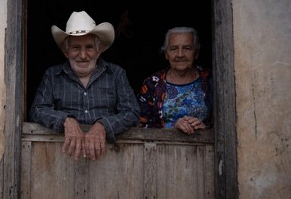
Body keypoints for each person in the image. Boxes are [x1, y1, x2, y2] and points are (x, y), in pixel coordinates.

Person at [29, 11, 141, 161]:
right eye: (76, 48)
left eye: (89, 47)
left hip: (111, 159)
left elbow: (132, 112)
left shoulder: (116, 74)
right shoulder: (52, 75)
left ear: (98, 50)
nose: (83, 55)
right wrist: (66, 120)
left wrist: (103, 125)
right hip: (62, 159)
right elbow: (37, 109)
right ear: (65, 51)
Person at [137, 27, 212, 134]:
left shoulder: (210, 80)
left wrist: (206, 129)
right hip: (163, 148)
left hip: (205, 148)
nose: (180, 54)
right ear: (166, 54)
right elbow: (141, 124)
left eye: (187, 48)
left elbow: (224, 121)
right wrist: (172, 127)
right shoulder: (152, 83)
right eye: (174, 49)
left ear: (196, 53)